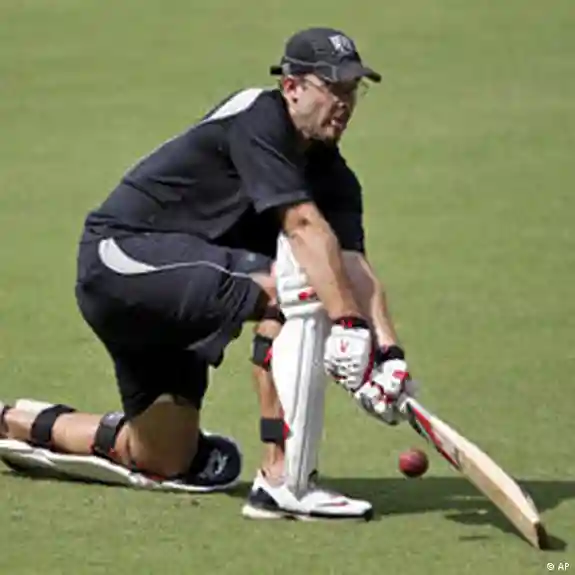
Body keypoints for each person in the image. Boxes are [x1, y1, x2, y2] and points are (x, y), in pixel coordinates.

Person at [0, 26, 417, 520]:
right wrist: (348, 326)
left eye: (352, 89)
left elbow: (352, 267)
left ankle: (12, 421)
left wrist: (389, 356)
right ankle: (282, 480)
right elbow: (304, 230)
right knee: (295, 288)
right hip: (125, 261)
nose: (344, 103)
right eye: (333, 87)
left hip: (181, 293)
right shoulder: (258, 118)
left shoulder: (336, 179)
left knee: (163, 458)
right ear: (291, 87)